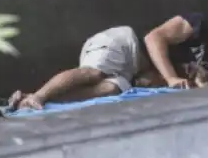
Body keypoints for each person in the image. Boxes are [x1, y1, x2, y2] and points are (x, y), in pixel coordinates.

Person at [8, 26, 157, 111]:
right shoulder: (172, 31)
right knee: (92, 73)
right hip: (123, 44)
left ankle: (33, 100)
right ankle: (39, 96)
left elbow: (150, 77)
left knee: (110, 89)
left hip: (130, 70)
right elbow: (154, 39)